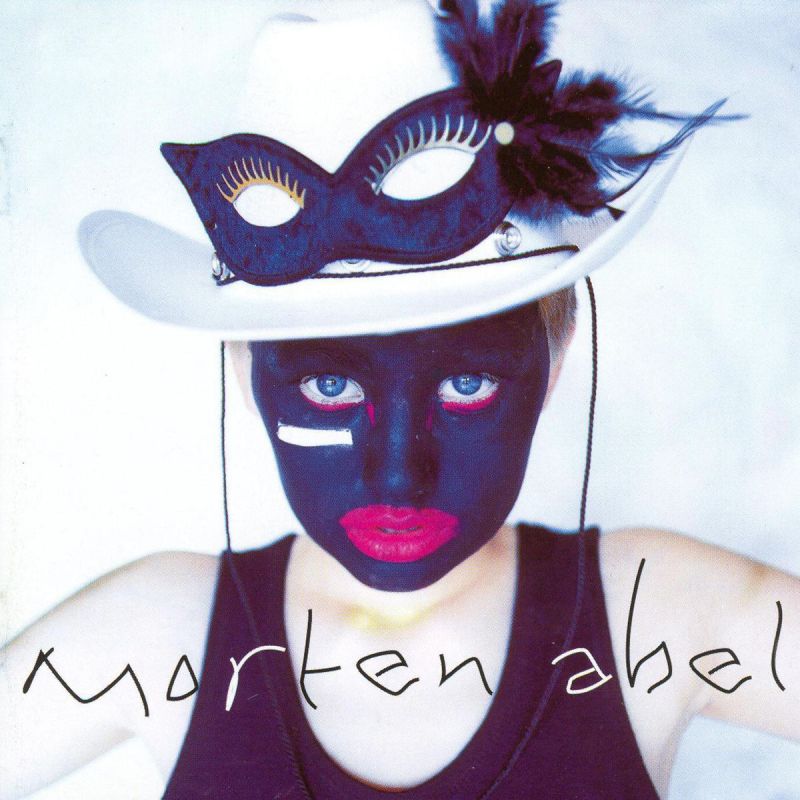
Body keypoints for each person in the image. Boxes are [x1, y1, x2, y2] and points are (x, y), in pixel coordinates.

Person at [2, 1, 799, 798]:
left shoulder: (657, 612)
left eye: (466, 385)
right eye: (329, 386)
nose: (397, 478)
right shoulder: (152, 633)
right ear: (244, 373)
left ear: (554, 365)